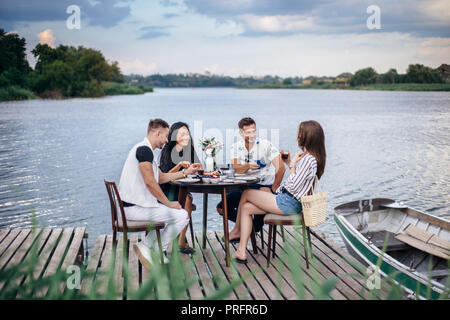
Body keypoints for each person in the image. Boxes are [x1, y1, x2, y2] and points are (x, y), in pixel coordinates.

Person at [230, 120, 326, 263]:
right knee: (245, 207)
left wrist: (292, 166)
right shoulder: (310, 157)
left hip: (289, 202)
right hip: (288, 200)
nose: (298, 136)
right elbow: (300, 181)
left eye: (300, 133)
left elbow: (293, 185)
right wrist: (289, 163)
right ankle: (241, 251)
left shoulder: (309, 159)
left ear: (307, 137)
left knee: (246, 194)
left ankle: (236, 231)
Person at [118, 118, 199, 269]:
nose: (167, 140)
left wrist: (185, 172)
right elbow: (150, 183)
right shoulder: (144, 151)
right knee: (181, 215)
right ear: (157, 133)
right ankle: (156, 250)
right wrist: (168, 203)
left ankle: (148, 247)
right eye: (166, 136)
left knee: (172, 215)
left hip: (134, 207)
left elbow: (161, 178)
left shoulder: (146, 150)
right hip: (134, 209)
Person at [216, 117, 285, 239]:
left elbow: (281, 168)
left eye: (254, 131)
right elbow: (236, 168)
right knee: (221, 208)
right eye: (248, 132)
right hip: (243, 187)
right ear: (241, 133)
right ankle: (247, 227)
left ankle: (246, 229)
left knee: (257, 223)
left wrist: (273, 189)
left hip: (263, 189)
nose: (252, 135)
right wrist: (247, 166)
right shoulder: (235, 147)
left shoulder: (266, 145)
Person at [159, 122, 202, 254]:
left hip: (182, 189)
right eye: (182, 134)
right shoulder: (167, 150)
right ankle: (181, 242)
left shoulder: (189, 149)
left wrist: (197, 168)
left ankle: (180, 239)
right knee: (188, 199)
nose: (186, 137)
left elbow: (198, 168)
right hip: (166, 191)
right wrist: (179, 166)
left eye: (187, 134)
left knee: (187, 198)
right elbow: (164, 177)